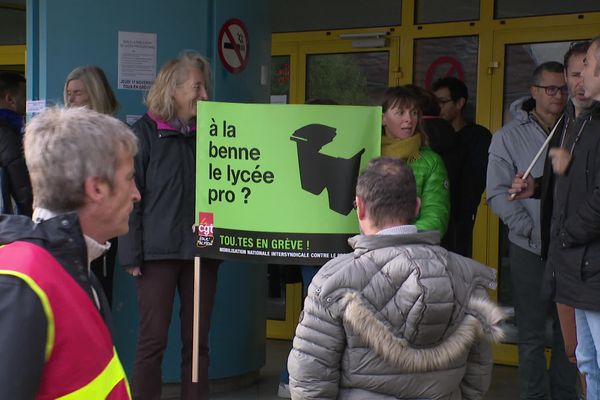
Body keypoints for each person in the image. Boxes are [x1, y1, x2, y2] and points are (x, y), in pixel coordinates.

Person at [287, 156, 505, 399]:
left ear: (359, 206)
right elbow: (478, 372)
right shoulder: (468, 278)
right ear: (417, 207)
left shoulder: (332, 280)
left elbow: (310, 378)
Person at [0, 106, 139, 399]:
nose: (136, 193)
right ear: (97, 188)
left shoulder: (69, 264)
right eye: (129, 178)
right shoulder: (23, 282)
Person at [119, 51, 220, 400]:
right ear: (172, 89)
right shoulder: (143, 135)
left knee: (197, 343)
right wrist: (131, 254)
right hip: (156, 254)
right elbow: (131, 197)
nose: (204, 95)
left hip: (201, 252)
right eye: (197, 86)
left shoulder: (214, 134)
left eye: (205, 87)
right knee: (152, 340)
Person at [487, 61, 578, 400]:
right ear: (534, 92)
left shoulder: (579, 128)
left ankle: (566, 395)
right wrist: (529, 229)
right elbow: (498, 193)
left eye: (564, 88)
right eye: (551, 89)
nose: (559, 95)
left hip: (572, 245)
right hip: (528, 246)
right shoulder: (508, 136)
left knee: (570, 334)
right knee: (531, 334)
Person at [64, 64, 120, 305]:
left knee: (98, 298)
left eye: (78, 92)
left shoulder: (113, 134)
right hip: (66, 225)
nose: (70, 98)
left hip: (100, 227)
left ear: (94, 94)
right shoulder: (61, 132)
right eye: (68, 92)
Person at [432, 77, 491, 257]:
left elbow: (476, 179)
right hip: (433, 214)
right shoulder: (430, 137)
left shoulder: (477, 136)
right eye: (434, 103)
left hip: (460, 216)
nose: (437, 107)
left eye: (442, 102)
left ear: (460, 103)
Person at [380, 85, 450, 236]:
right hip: (365, 251)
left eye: (414, 113)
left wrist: (394, 237)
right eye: (400, 112)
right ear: (382, 118)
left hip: (412, 251)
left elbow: (436, 217)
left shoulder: (431, 161)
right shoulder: (367, 154)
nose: (409, 119)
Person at [0, 71, 32, 216]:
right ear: (10, 99)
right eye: (25, 95)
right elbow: (19, 179)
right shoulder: (7, 131)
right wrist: (32, 211)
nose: (28, 100)